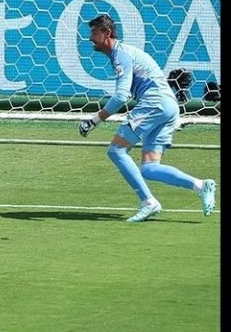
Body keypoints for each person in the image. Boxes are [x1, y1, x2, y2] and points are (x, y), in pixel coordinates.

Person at [79, 14, 216, 222]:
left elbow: (121, 96)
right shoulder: (122, 54)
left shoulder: (121, 55)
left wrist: (95, 120)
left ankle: (148, 202)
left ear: (107, 33)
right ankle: (201, 185)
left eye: (94, 32)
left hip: (154, 103)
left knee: (116, 151)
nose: (90, 37)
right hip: (168, 106)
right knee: (150, 168)